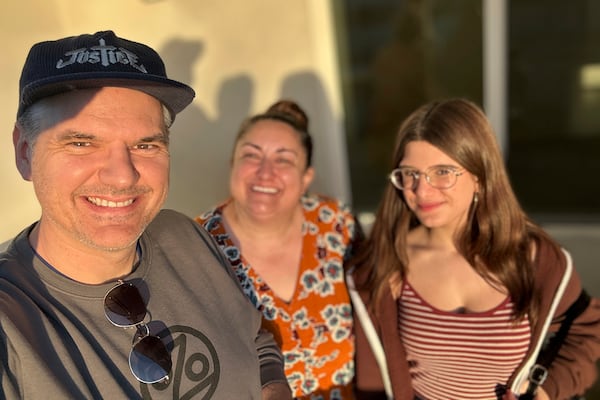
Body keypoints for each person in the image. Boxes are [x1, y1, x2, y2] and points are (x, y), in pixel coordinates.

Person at [0, 30, 292, 400]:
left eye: (145, 144)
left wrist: (273, 385)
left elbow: (253, 337)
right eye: (81, 143)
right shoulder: (11, 324)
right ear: (24, 152)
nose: (123, 175)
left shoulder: (185, 235)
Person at [350, 98, 600, 400]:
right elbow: (372, 379)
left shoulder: (536, 260)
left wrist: (547, 391)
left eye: (442, 172)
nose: (421, 190)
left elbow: (585, 334)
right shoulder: (386, 262)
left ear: (479, 177)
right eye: (410, 174)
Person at [195, 100, 361, 399]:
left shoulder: (336, 226)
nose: (265, 172)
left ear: (306, 177)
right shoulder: (197, 246)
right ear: (233, 163)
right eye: (251, 155)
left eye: (283, 159)